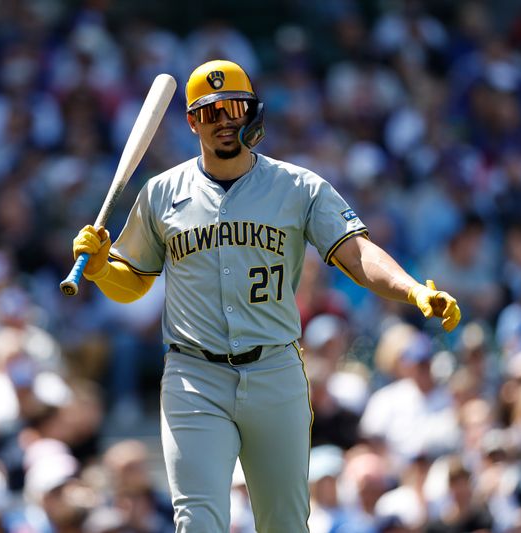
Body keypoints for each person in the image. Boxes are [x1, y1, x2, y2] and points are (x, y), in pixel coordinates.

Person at [71, 59, 462, 532]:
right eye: (211, 112)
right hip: (194, 375)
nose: (225, 121)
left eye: (234, 107)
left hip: (275, 371)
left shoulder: (298, 187)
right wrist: (98, 269)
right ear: (192, 121)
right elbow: (133, 281)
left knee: (285, 524)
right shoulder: (161, 192)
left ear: (253, 112)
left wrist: (412, 289)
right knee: (197, 522)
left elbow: (355, 253)